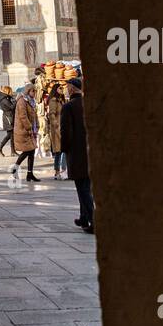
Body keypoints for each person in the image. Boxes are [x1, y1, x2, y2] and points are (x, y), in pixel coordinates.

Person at [61, 77, 94, 233]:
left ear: (72, 89)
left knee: (83, 189)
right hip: (89, 152)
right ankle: (83, 217)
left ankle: (94, 221)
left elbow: (66, 132)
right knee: (85, 185)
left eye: (67, 87)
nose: (66, 90)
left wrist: (64, 149)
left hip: (76, 152)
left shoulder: (68, 107)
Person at [10, 80, 39, 180]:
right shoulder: (22, 101)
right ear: (28, 91)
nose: (34, 93)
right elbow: (23, 116)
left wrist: (36, 126)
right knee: (27, 151)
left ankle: (30, 173)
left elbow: (34, 115)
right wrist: (29, 128)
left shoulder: (31, 101)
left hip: (30, 130)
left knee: (31, 152)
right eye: (33, 91)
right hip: (24, 131)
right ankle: (15, 168)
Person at [47, 85, 66, 177]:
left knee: (64, 150)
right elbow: (52, 114)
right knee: (58, 151)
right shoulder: (53, 101)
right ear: (56, 89)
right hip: (57, 128)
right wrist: (56, 125)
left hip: (63, 127)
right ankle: (57, 171)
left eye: (62, 88)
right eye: (60, 88)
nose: (62, 89)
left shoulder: (62, 101)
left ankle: (63, 170)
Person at [0, 85, 15, 155]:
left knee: (11, 135)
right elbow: (11, 107)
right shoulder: (4, 99)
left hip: (9, 117)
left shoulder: (5, 98)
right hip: (8, 118)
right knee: (10, 135)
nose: (11, 93)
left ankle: (12, 151)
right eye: (10, 91)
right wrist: (16, 101)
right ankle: (0, 148)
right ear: (8, 91)